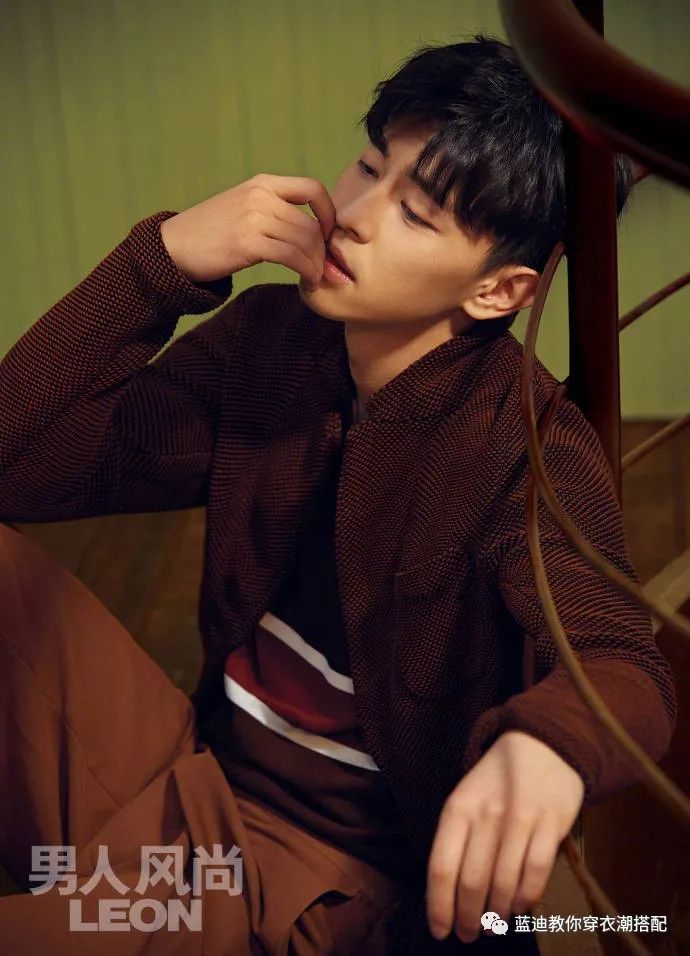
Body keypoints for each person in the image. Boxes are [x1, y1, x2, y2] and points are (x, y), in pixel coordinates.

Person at [0, 34, 676, 955]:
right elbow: (22, 462)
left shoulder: (525, 444)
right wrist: (162, 260)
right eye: (367, 165)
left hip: (319, 881)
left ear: (499, 291)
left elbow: (622, 662)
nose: (352, 215)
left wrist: (548, 743)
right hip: (194, 782)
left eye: (416, 213)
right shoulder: (274, 339)